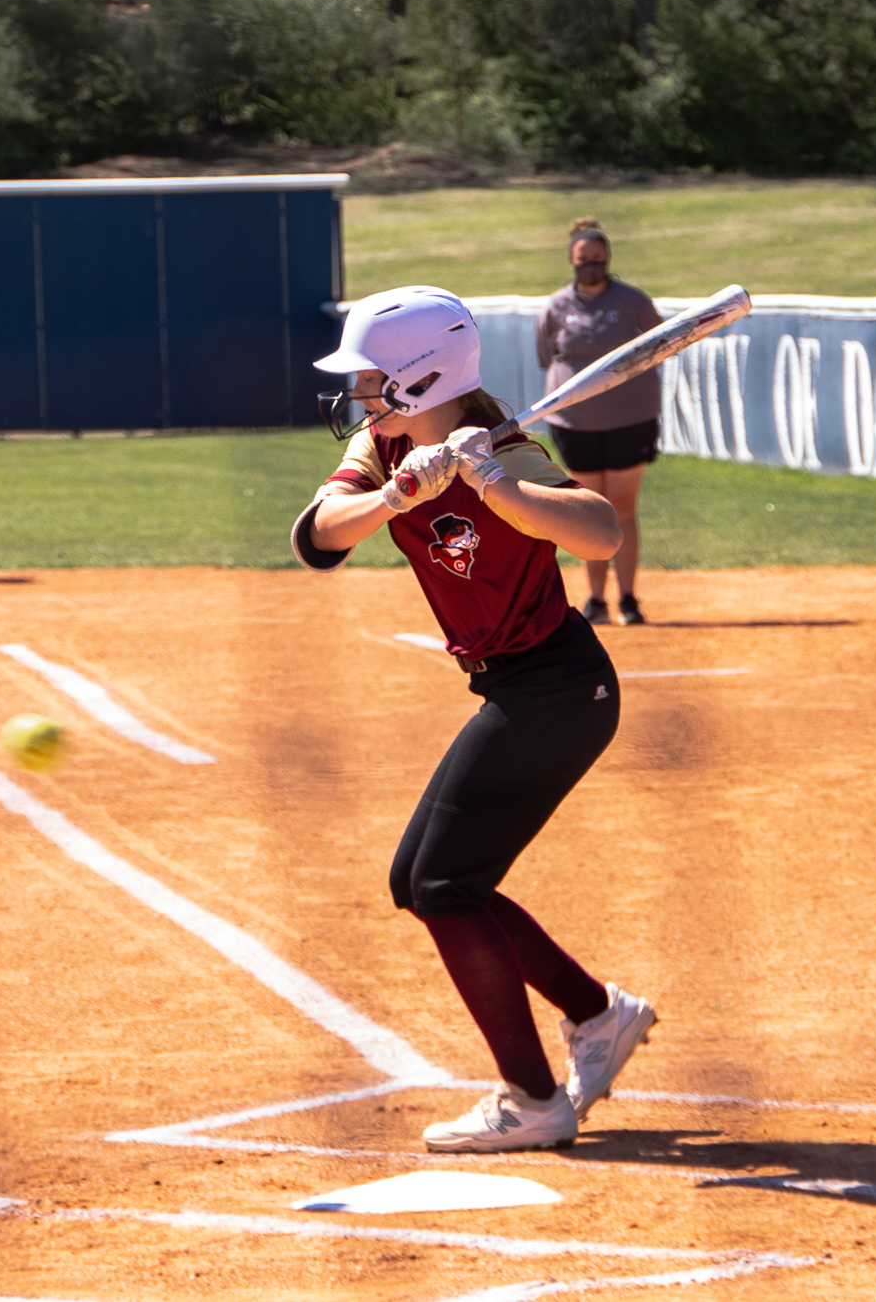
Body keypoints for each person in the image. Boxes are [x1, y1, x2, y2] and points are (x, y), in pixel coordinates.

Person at [292, 285, 658, 1153]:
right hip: (513, 688)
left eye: (374, 378)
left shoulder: (508, 452)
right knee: (418, 880)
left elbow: (600, 530)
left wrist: (492, 483)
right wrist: (396, 496)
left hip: (558, 690)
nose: (360, 393)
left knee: (443, 886)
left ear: (421, 378)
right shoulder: (387, 446)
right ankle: (597, 1014)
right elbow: (315, 538)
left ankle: (533, 1099)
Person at [534, 218, 663, 626]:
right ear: (571, 261)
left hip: (630, 416)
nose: (590, 265)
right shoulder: (556, 306)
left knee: (623, 506)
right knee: (591, 510)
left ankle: (627, 598)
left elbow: (661, 343)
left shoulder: (632, 301)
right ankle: (595, 600)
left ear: (607, 258)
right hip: (576, 421)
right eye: (582, 259)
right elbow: (545, 355)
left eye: (597, 258)